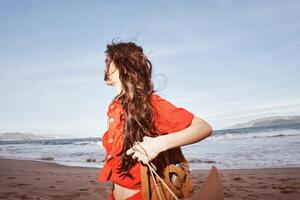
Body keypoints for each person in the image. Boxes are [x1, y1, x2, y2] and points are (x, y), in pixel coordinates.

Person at [98, 39, 213, 200]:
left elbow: (203, 127)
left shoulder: (150, 103)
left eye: (108, 61)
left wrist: (158, 144)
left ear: (123, 66)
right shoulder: (117, 106)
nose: (105, 65)